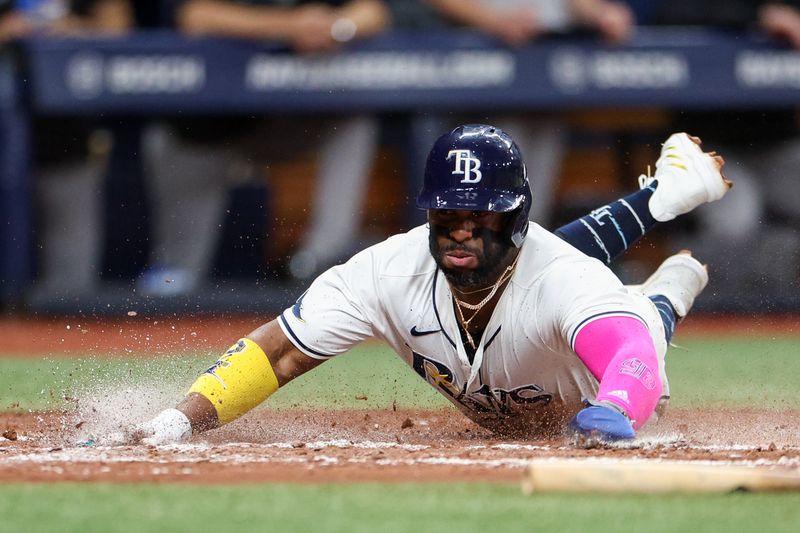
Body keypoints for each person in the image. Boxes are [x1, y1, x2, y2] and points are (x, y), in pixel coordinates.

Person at [101, 125, 729, 445]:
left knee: (641, 314)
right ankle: (661, 197)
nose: (460, 232)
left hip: (587, 378)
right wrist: (176, 423)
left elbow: (630, 354)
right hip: (532, 308)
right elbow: (281, 351)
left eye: (480, 217)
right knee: (513, 270)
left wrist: (616, 409)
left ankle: (669, 285)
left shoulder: (568, 281)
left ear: (516, 216)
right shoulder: (386, 270)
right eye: (446, 217)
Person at [137, 0, 390, 295]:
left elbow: (374, 12)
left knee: (353, 118)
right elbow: (195, 17)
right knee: (179, 275)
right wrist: (290, 27)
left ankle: (321, 259)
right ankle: (170, 299)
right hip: (203, 130)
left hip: (275, 123)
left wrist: (335, 28)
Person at [405, 0, 634, 227]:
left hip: (546, 50)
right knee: (486, 178)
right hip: (474, 55)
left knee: (533, 195)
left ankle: (521, 250)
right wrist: (492, 20)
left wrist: (598, 12)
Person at [651, 0, 800, 302]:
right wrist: (756, 16)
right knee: (737, 219)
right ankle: (724, 312)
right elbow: (669, 17)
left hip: (778, 145)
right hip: (709, 148)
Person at [0, 0, 133, 299]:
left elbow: (119, 28)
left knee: (71, 287)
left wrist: (73, 29)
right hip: (8, 138)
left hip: (67, 143)